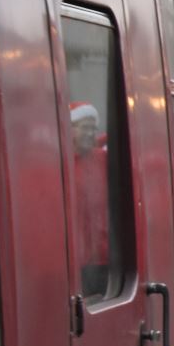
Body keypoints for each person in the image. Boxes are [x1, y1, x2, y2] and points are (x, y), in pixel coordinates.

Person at [69, 101, 112, 299]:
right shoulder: (60, 162)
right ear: (69, 129)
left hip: (103, 258)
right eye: (85, 127)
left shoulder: (102, 159)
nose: (90, 133)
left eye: (93, 128)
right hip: (75, 261)